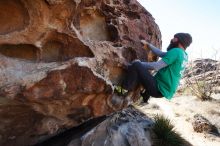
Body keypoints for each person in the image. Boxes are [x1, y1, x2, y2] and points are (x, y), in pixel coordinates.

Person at [118, 33, 192, 103]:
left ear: (180, 40)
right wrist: (148, 45)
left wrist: (134, 63)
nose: (172, 39)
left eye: (175, 38)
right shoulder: (184, 55)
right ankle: (145, 95)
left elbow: (156, 66)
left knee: (137, 65)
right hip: (164, 90)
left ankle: (125, 88)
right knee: (147, 72)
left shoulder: (176, 51)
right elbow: (161, 54)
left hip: (158, 88)